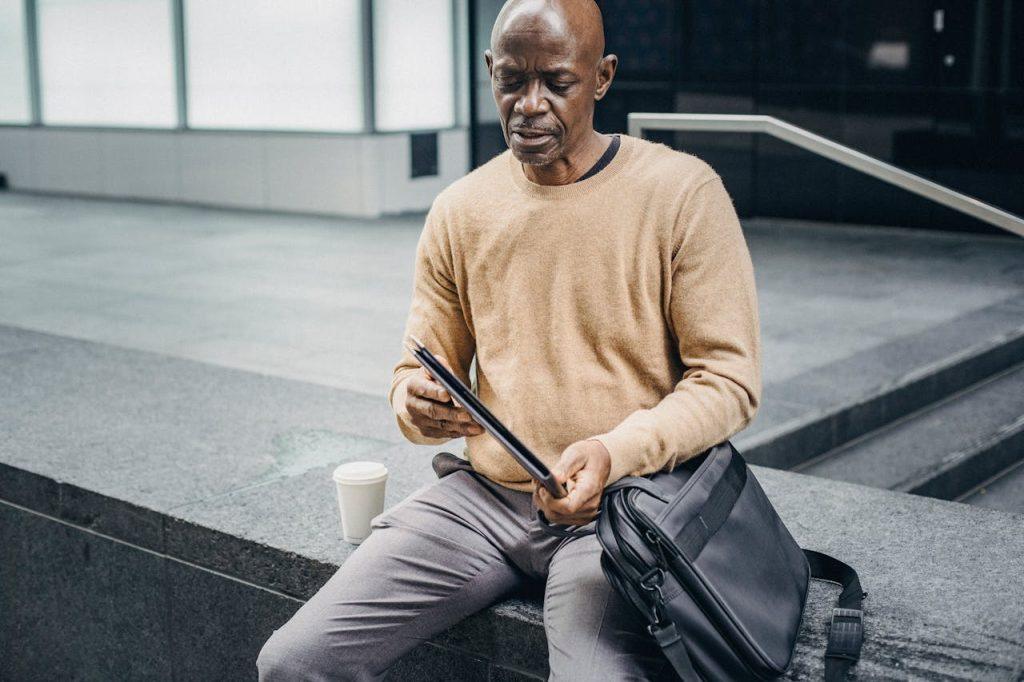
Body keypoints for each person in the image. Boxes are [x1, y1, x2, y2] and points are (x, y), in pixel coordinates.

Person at [256, 0, 760, 679]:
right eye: (512, 81)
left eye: (557, 81)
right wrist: (414, 402)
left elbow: (729, 382)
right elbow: (414, 367)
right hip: (481, 501)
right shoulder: (460, 211)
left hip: (620, 510)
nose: (529, 104)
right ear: (490, 73)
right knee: (291, 662)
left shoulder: (680, 193)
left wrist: (614, 453)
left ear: (603, 77)